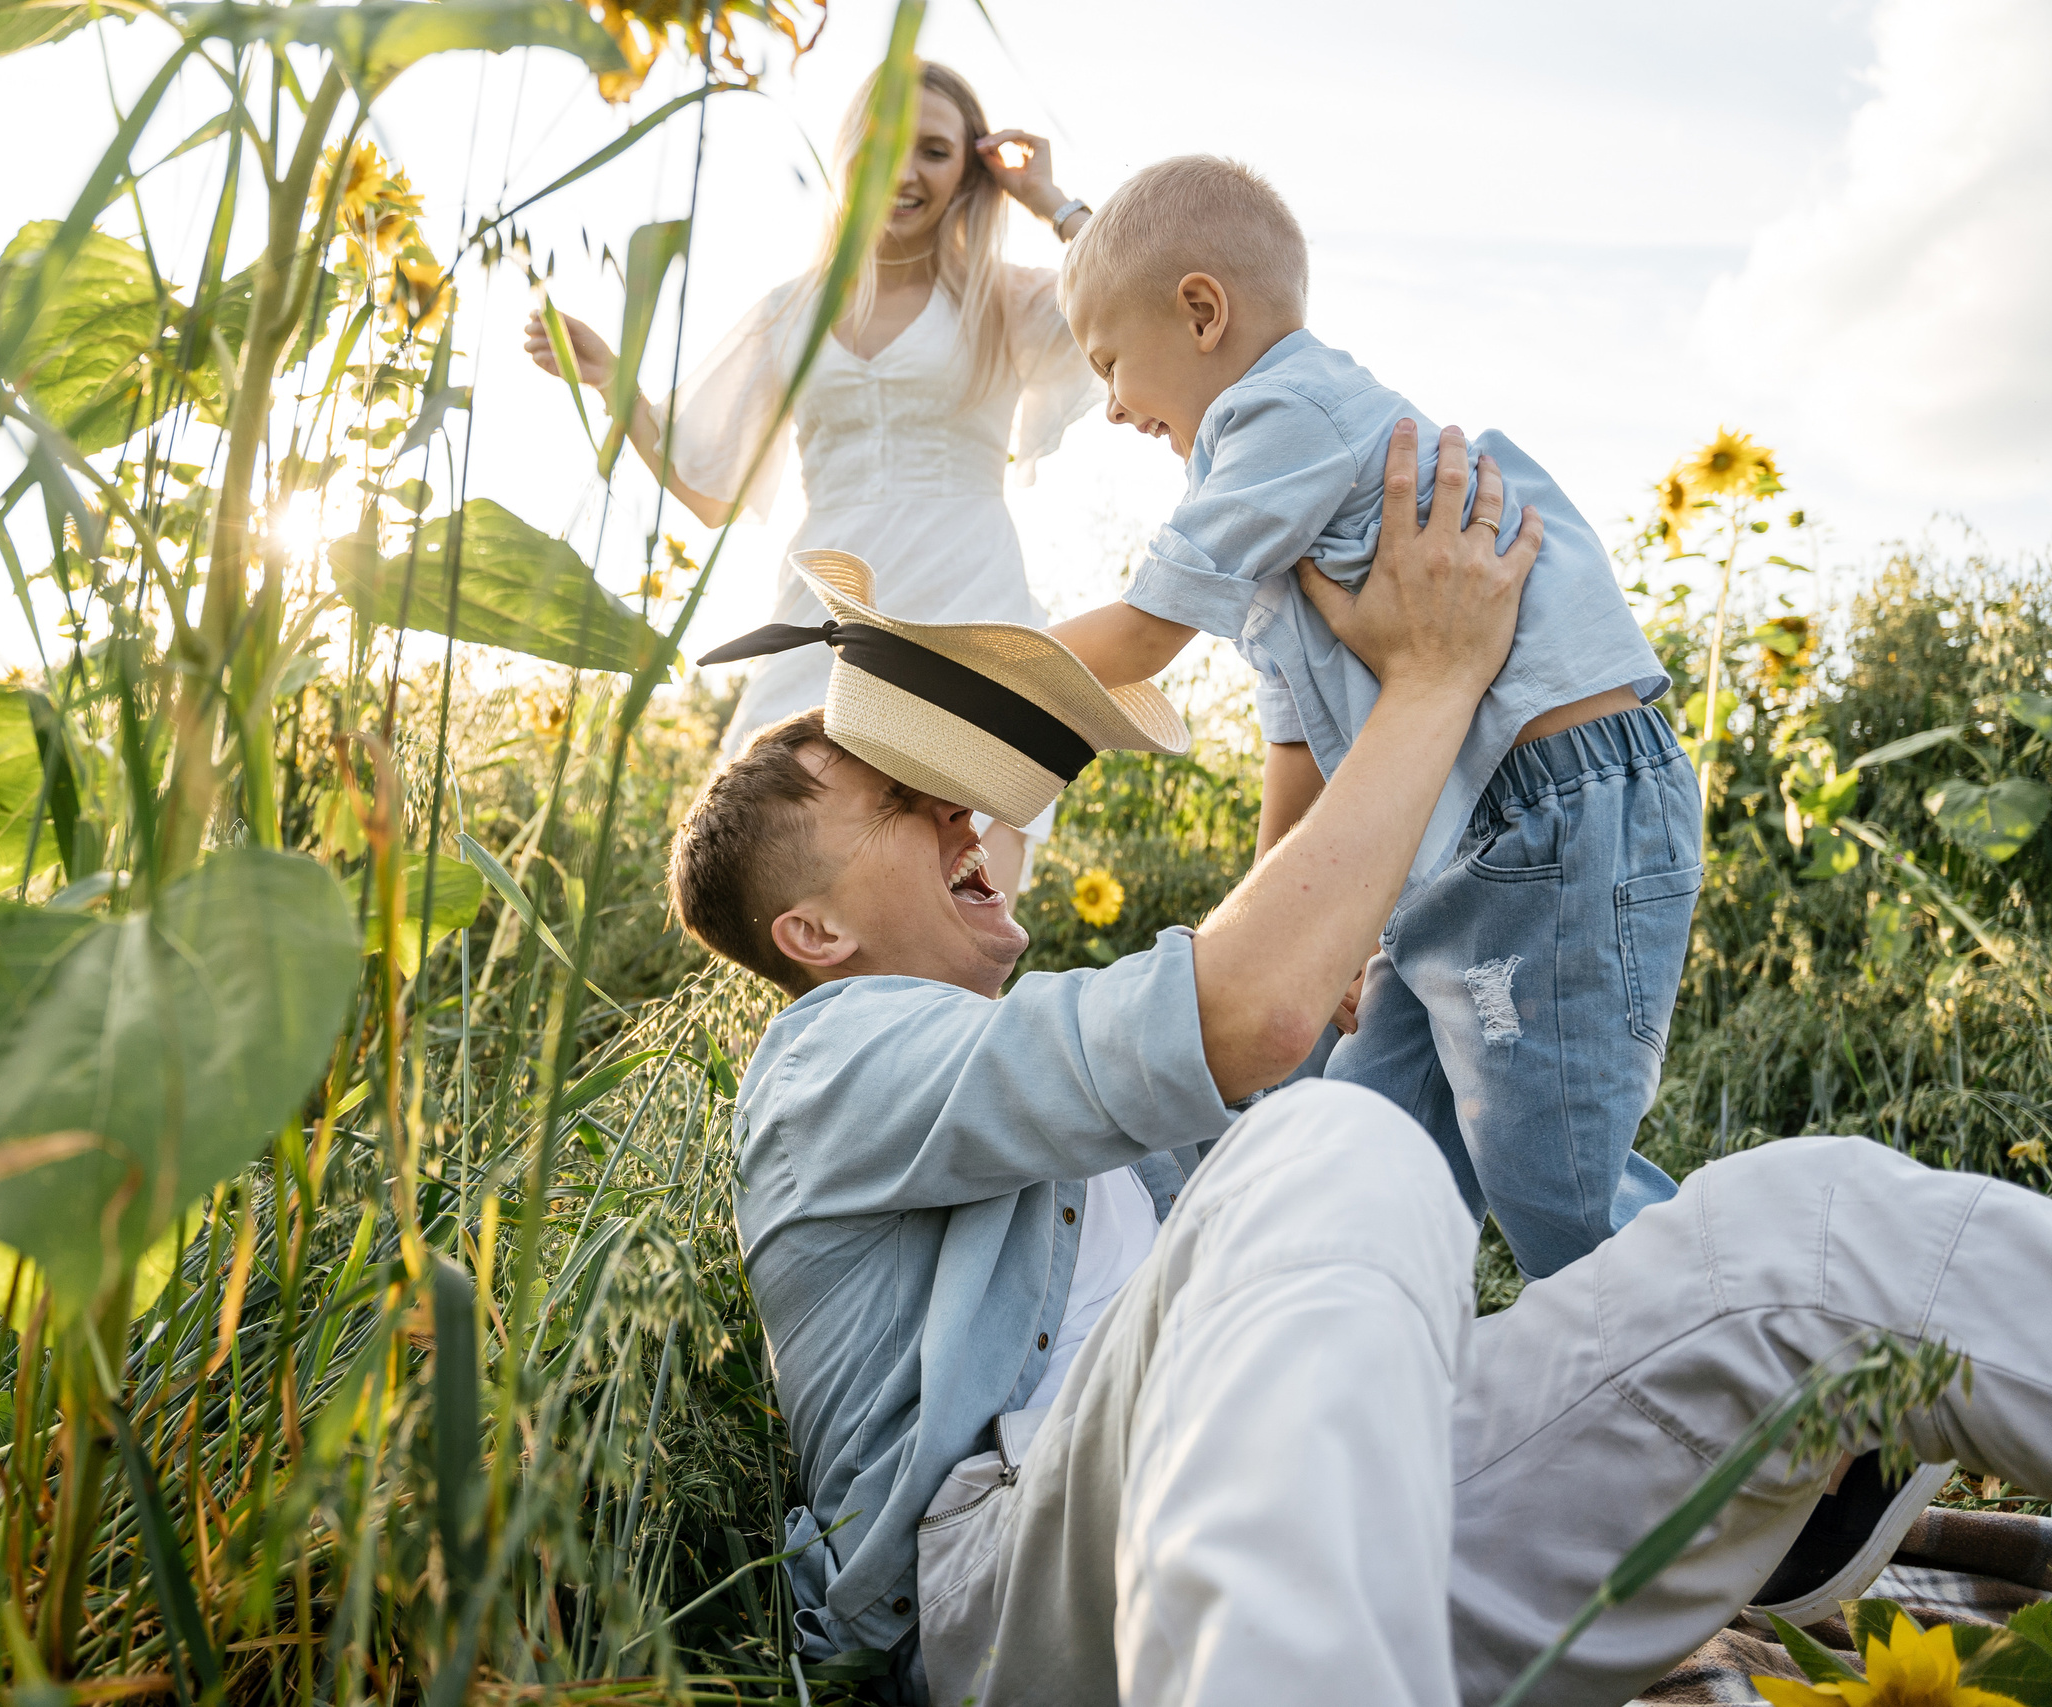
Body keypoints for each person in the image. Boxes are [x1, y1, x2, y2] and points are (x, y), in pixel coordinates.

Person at [667, 433, 2052, 1706]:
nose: (962, 808)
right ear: (815, 931)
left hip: (1341, 1483)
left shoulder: (1037, 1097)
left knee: (1814, 1228)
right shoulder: (824, 1059)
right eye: (904, 800)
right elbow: (1256, 1019)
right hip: (1004, 1591)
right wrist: (1434, 677)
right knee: (1331, 1149)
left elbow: (1288, 1023)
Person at [1042, 156, 1703, 1282]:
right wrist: (1304, 937)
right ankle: (1374, 1408)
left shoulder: (1282, 412)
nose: (1107, 404)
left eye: (1108, 363)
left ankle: (1821, 1415)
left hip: (1552, 809)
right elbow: (1295, 745)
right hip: (1455, 840)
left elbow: (1148, 634)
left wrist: (953, 667)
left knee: (1553, 1179)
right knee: (1351, 1154)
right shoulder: (1276, 494)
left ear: (1201, 311)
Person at [525, 61, 1102, 890]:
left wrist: (1049, 199)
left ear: (968, 172)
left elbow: (1138, 291)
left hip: (969, 604)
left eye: (934, 150)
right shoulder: (787, 313)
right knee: (784, 872)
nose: (904, 170)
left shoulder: (1004, 299)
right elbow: (710, 490)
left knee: (965, 890)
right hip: (825, 615)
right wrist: (614, 381)